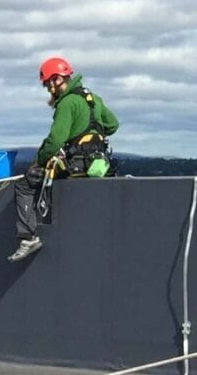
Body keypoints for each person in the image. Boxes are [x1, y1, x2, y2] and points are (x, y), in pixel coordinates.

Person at [8, 57, 121, 262]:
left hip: (76, 165)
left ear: (57, 80)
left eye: (49, 83)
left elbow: (55, 140)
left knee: (25, 185)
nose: (49, 88)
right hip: (98, 163)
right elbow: (112, 125)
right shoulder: (93, 98)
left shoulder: (67, 103)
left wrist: (39, 161)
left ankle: (28, 238)